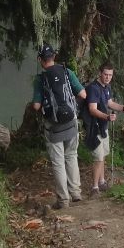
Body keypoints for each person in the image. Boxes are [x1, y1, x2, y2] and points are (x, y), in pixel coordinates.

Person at [30, 45, 87, 209]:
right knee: (72, 155)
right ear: (54, 56)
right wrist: (69, 109)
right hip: (71, 122)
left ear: (40, 60)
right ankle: (75, 192)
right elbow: (83, 94)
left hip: (53, 126)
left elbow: (35, 106)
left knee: (58, 162)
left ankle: (63, 200)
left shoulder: (40, 79)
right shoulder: (67, 72)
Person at [84, 63, 124, 195]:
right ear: (100, 73)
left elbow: (110, 103)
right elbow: (92, 109)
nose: (107, 77)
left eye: (110, 75)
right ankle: (94, 187)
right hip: (94, 128)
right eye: (105, 74)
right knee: (98, 157)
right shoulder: (93, 88)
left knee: (103, 155)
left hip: (103, 126)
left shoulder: (107, 87)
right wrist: (107, 117)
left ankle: (101, 182)